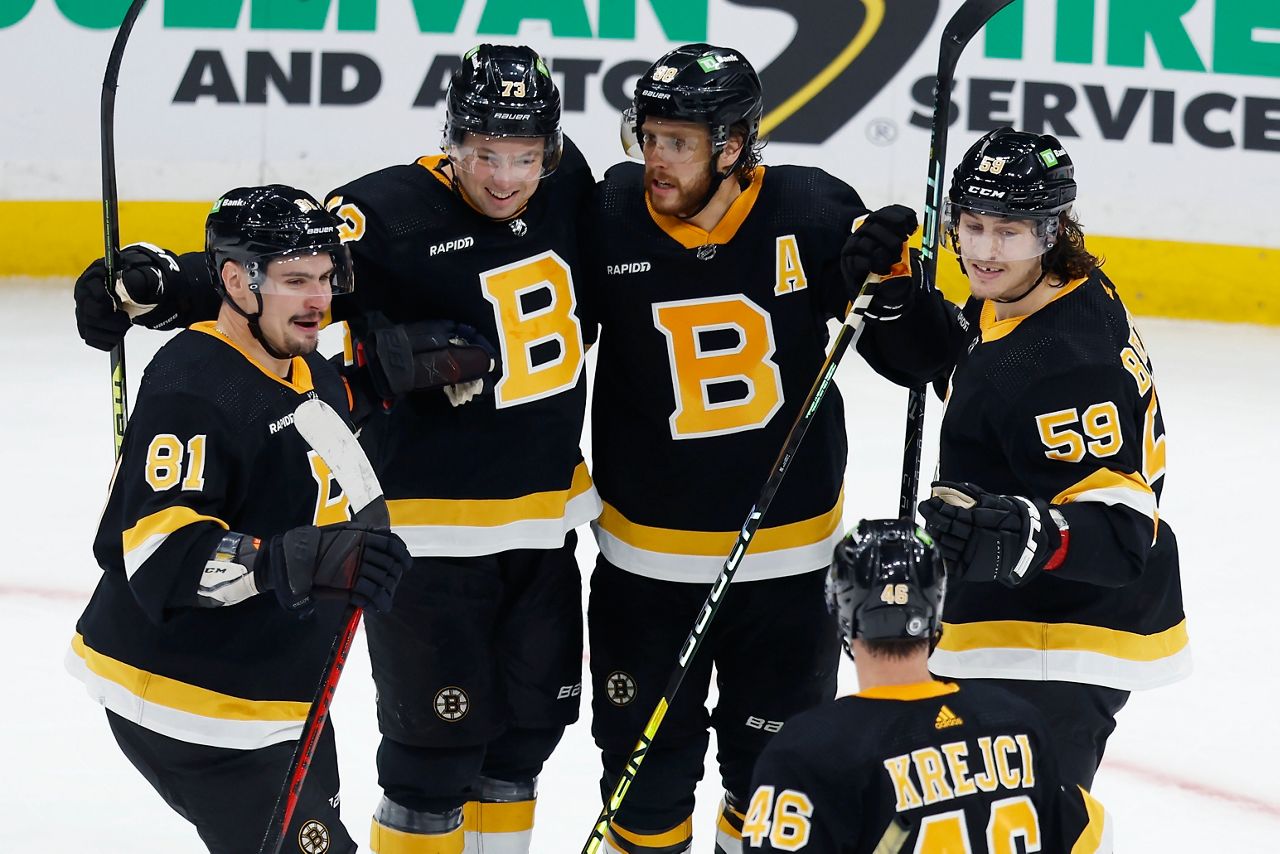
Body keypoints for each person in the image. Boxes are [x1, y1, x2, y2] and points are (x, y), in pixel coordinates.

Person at [71, 44, 599, 854]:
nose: (505, 176)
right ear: (451, 138)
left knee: (524, 744)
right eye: (484, 152)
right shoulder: (384, 211)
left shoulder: (571, 186)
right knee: (431, 759)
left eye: (525, 155)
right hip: (428, 533)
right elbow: (285, 263)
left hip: (542, 524)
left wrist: (380, 377)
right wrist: (165, 286)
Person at [584, 43, 916, 854]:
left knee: (776, 788)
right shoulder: (611, 212)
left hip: (788, 568)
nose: (655, 160)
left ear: (733, 146)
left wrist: (897, 286)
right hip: (644, 571)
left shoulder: (809, 208)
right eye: (648, 137)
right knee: (645, 792)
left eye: (680, 143)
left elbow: (921, 363)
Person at [65, 185, 411, 854]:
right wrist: (302, 559)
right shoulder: (194, 386)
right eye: (294, 280)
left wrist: (381, 380)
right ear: (235, 282)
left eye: (325, 277)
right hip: (195, 703)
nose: (318, 299)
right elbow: (164, 562)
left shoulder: (294, 359)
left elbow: (293, 427)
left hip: (274, 684)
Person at [852, 127, 1190, 788]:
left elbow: (1123, 538)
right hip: (1014, 609)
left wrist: (1026, 532)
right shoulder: (1039, 291)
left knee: (1021, 827)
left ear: (1051, 229)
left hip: (1056, 638)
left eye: (1007, 231)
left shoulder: (1068, 365)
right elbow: (976, 378)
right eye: (971, 226)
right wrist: (897, 306)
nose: (982, 251)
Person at [744, 519, 1112, 852]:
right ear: (935, 615)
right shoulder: (1017, 725)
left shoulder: (807, 753)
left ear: (841, 616)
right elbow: (1092, 835)